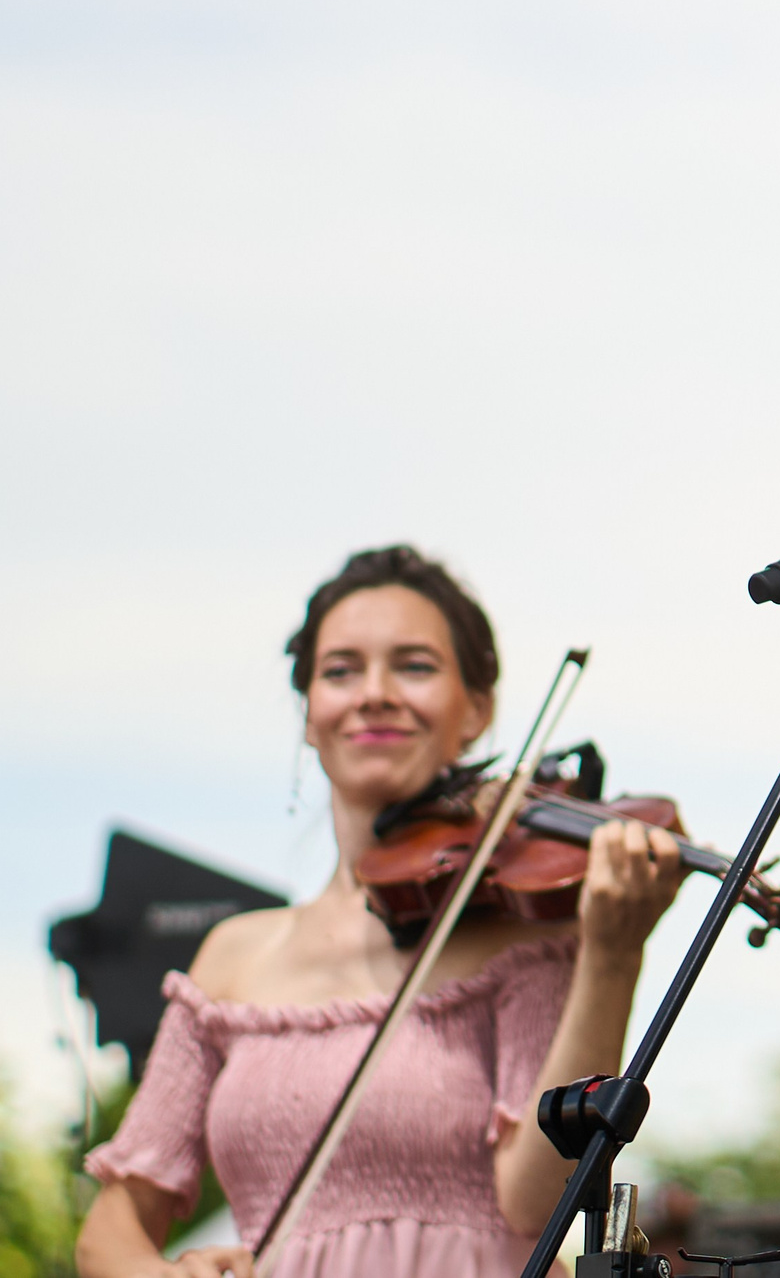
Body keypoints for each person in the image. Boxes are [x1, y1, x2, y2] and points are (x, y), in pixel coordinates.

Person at [77, 545, 686, 1278]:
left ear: (477, 709)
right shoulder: (234, 957)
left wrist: (612, 955)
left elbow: (537, 1200)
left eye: (415, 666)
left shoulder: (521, 932)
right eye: (341, 670)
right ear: (310, 712)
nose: (374, 692)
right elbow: (108, 1233)